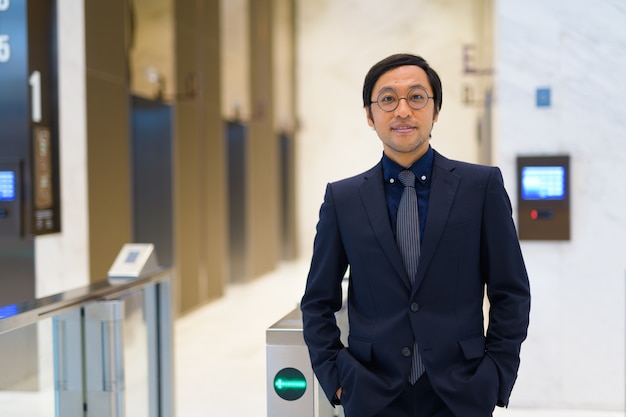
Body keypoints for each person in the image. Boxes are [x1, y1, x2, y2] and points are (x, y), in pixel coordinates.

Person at [300, 53, 531, 417]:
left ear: (435, 110)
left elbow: (511, 291)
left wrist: (496, 374)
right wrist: (336, 376)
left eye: (417, 97)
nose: (403, 110)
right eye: (388, 99)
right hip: (371, 391)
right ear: (369, 114)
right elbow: (316, 301)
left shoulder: (480, 187)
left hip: (462, 391)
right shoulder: (342, 199)